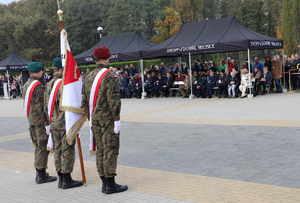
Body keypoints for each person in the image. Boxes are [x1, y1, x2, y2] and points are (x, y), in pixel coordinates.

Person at [81, 47, 128, 194]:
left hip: (94, 120)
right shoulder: (109, 75)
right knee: (110, 149)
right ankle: (110, 184)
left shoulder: (88, 76)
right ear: (107, 58)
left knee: (100, 149)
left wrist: (90, 118)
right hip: (108, 120)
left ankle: (103, 181)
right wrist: (117, 119)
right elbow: (113, 100)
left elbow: (83, 101)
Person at [45, 58, 83, 189]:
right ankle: (67, 179)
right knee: (67, 151)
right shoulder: (64, 85)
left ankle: (61, 178)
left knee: (57, 151)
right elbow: (70, 105)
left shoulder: (49, 83)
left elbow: (46, 105)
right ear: (61, 69)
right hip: (65, 123)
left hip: (54, 122)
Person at [22, 62, 57, 184]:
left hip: (32, 120)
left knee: (38, 146)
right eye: (42, 70)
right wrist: (48, 123)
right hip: (40, 122)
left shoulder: (26, 84)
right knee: (42, 148)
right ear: (37, 72)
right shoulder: (38, 86)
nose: (43, 72)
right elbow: (43, 107)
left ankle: (40, 172)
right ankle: (41, 175)